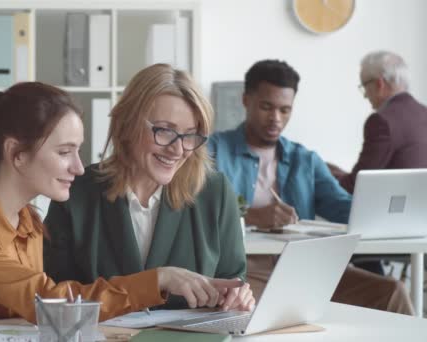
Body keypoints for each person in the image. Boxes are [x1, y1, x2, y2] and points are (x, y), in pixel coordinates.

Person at [0, 82, 246, 324]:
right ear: (16, 155)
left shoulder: (26, 222)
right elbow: (51, 301)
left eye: (77, 151)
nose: (79, 167)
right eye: (65, 152)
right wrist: (158, 280)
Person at [208, 59, 414, 315]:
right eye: (266, 107)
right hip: (245, 273)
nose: (276, 118)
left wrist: (392, 213)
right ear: (246, 100)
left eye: (285, 110)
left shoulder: (304, 160)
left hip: (306, 271)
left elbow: (343, 207)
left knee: (391, 292)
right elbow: (197, 213)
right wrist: (250, 216)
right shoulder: (212, 151)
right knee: (246, 311)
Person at [43, 64, 255, 312]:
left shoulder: (215, 193)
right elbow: (54, 298)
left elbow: (232, 282)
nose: (178, 150)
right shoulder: (76, 191)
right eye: (165, 131)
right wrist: (157, 280)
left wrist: (237, 296)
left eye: (190, 135)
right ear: (128, 124)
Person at [328, 51, 427, 193]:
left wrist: (322, 171)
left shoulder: (382, 121)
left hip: (392, 213)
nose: (366, 95)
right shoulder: (424, 112)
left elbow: (356, 186)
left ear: (379, 84)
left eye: (364, 86)